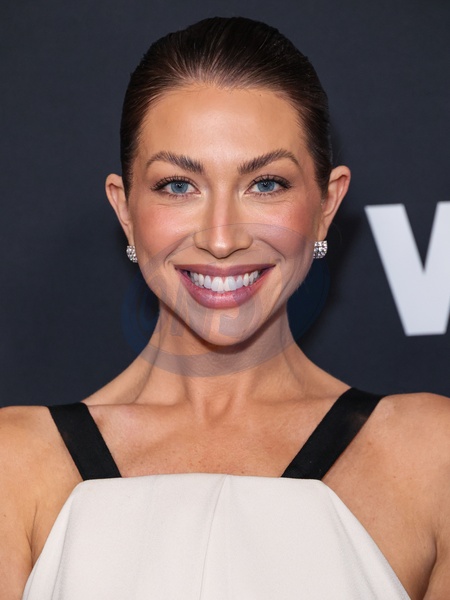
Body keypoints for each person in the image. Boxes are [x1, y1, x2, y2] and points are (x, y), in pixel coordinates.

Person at [0, 16, 449, 600]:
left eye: (265, 184)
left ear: (326, 204)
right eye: (177, 186)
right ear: (125, 209)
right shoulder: (15, 463)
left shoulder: (430, 457)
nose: (220, 238)